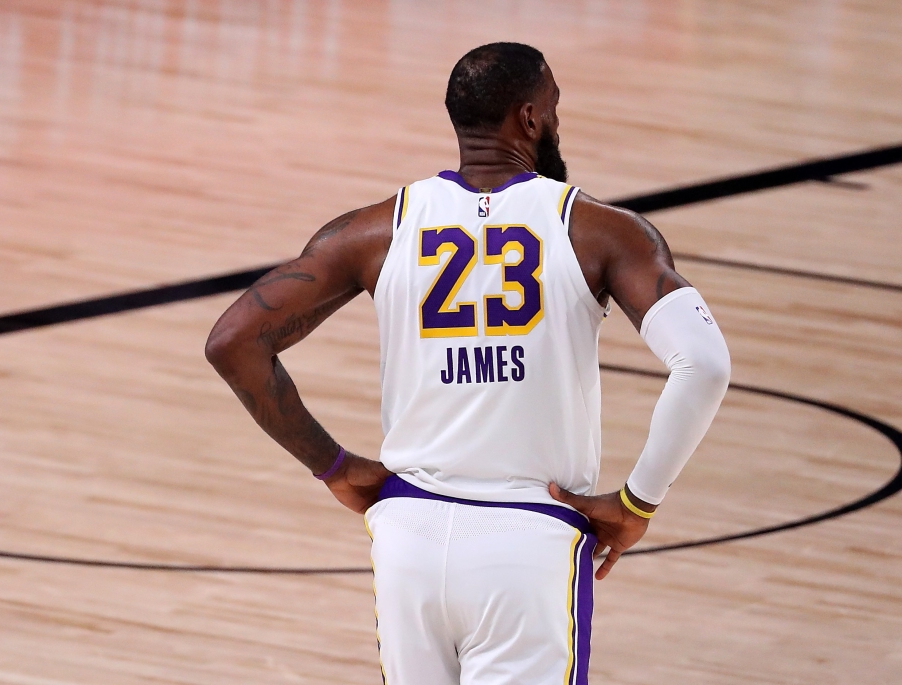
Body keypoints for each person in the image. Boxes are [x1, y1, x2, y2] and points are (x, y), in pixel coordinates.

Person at [205, 42, 730, 685]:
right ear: (531, 118)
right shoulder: (601, 231)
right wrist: (638, 502)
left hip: (409, 539)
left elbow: (234, 340)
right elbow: (704, 365)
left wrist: (335, 467)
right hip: (529, 540)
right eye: (556, 109)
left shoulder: (376, 231)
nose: (558, 124)